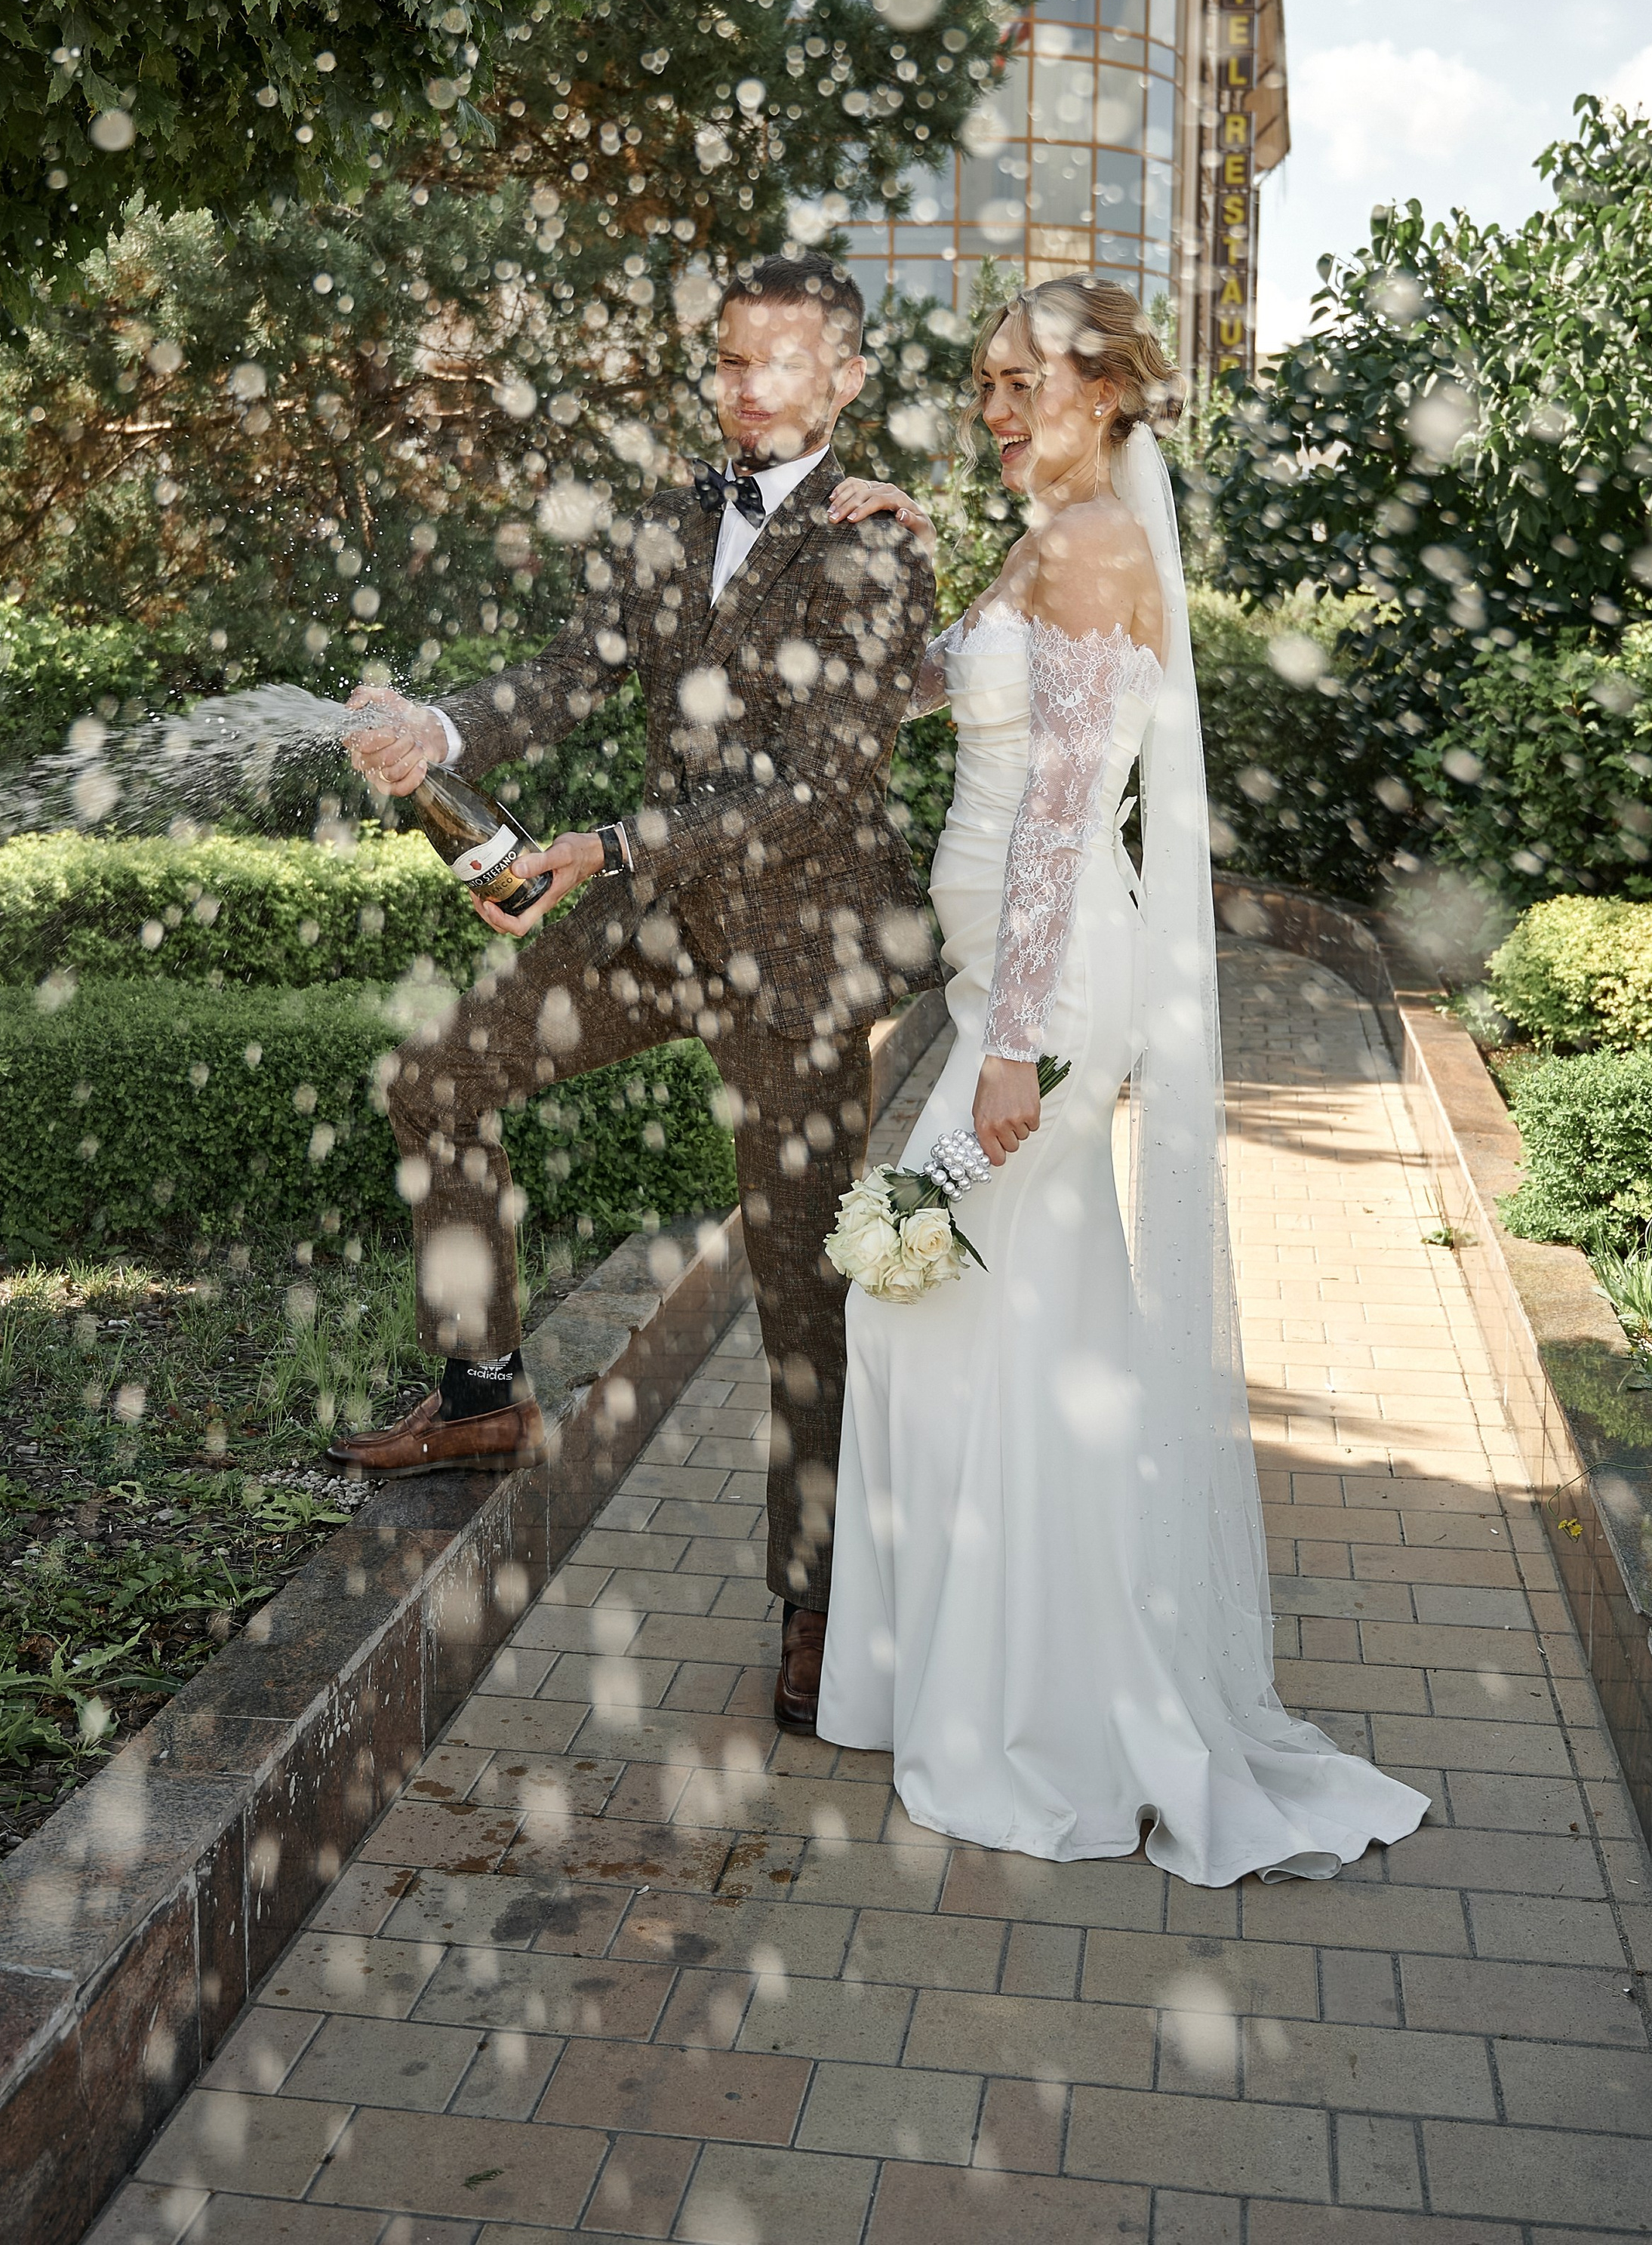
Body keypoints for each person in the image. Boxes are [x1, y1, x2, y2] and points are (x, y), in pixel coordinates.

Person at [817, 278, 1429, 1878]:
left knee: (938, 1314)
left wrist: (1015, 1041)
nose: (992, 410)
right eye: (984, 384)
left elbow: (1059, 809)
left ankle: (1040, 1716)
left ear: (1100, 391)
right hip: (1005, 986)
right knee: (1005, 1322)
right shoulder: (1049, 537)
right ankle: (1019, 1681)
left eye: (1018, 383)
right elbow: (941, 693)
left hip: (1048, 988)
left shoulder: (1093, 550)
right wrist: (901, 552)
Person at [335, 252, 935, 1736]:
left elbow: (821, 784)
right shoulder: (672, 516)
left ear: (846, 377)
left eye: (778, 359)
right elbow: (566, 673)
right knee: (434, 1078)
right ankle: (483, 1390)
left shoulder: (876, 547)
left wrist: (603, 846)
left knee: (800, 1281)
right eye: (728, 357)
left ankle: (818, 1598)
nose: (745, 384)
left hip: (802, 952)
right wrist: (436, 727)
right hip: (657, 928)